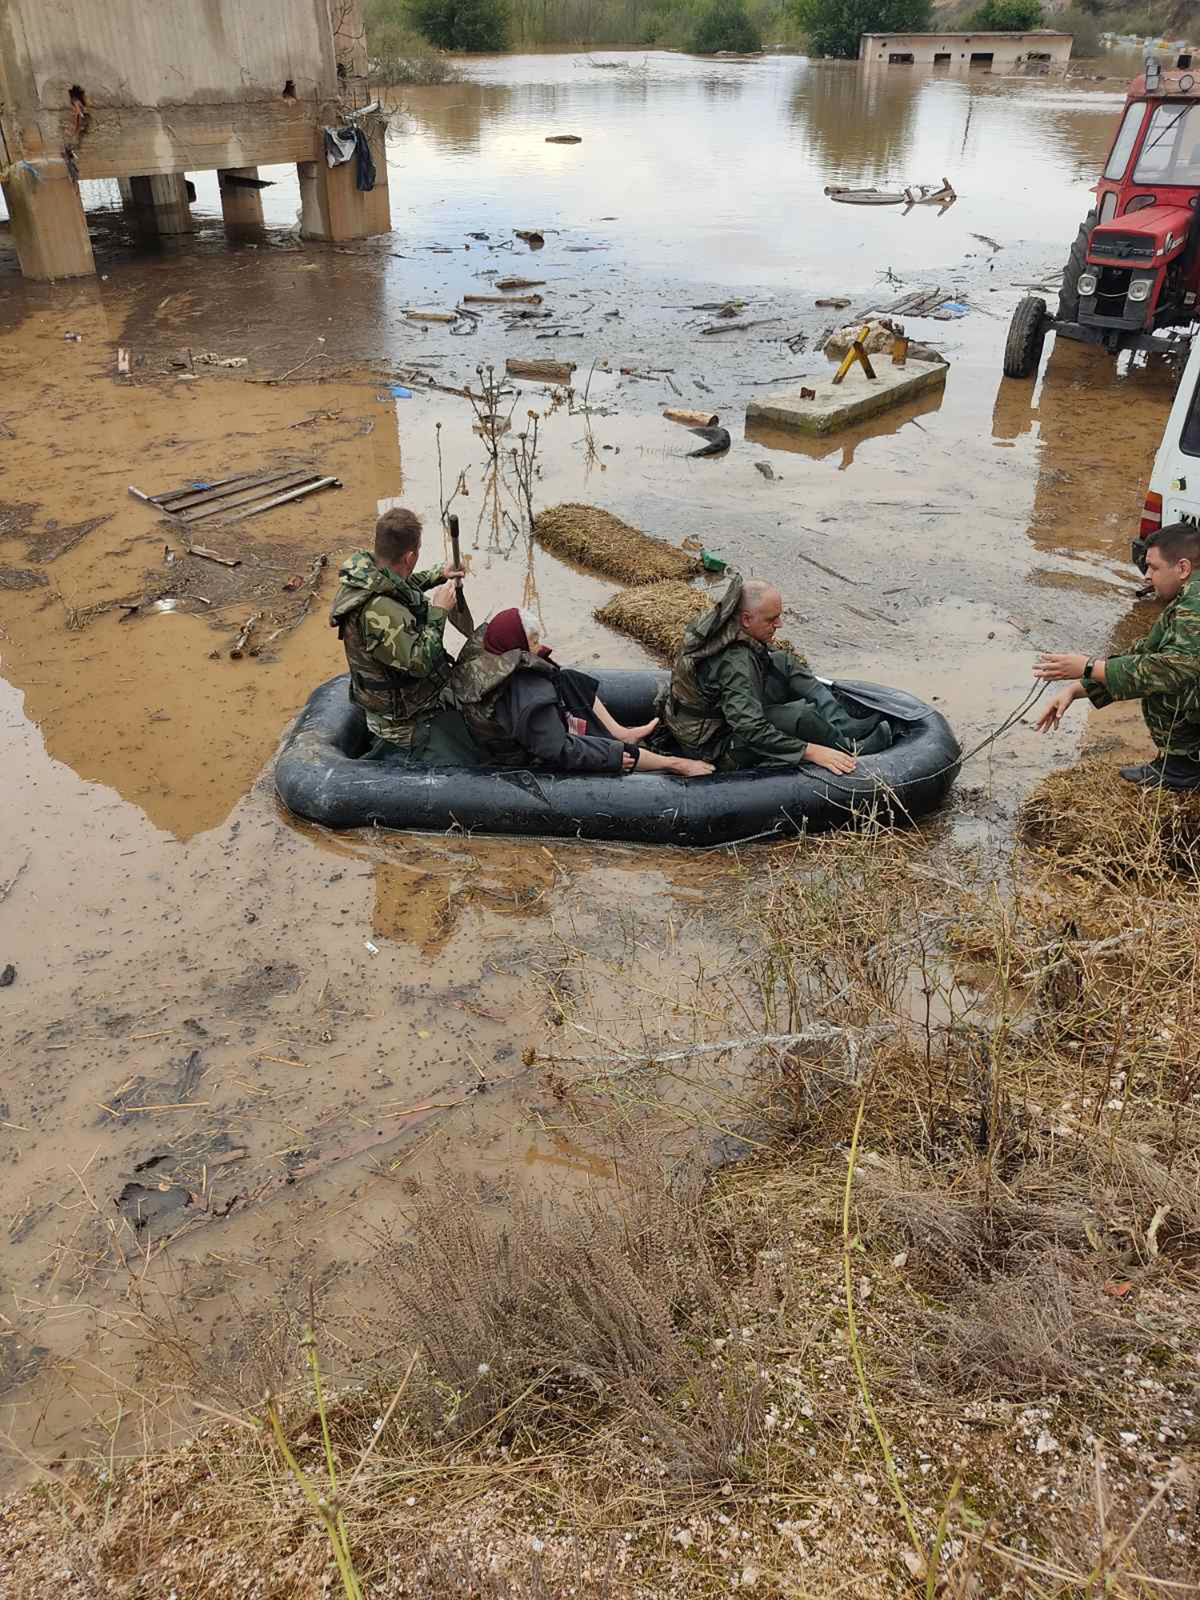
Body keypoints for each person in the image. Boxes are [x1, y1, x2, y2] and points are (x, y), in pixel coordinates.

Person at [660, 575, 893, 774]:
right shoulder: (735, 661)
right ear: (746, 619)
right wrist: (810, 751)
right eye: (772, 619)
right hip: (715, 746)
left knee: (783, 661)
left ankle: (845, 726)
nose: (779, 624)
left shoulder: (724, 626)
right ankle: (851, 750)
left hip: (717, 716)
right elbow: (750, 729)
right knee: (800, 715)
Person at [1035, 520, 1200, 791]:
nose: (1146, 576)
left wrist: (1088, 667)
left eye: (1154, 567)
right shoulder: (1188, 598)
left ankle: (1182, 768)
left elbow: (1174, 669)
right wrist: (1077, 689)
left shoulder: (1196, 601)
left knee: (1161, 681)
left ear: (1182, 568)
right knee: (1147, 665)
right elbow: (1147, 650)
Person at [451, 608, 714, 778]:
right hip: (521, 755)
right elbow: (558, 749)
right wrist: (610, 756)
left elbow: (540, 667)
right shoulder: (528, 695)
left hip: (519, 731)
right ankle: (673, 764)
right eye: (533, 641)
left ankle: (622, 731)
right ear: (518, 643)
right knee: (615, 752)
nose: (539, 646)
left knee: (567, 678)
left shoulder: (491, 652)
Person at [329, 506, 474, 761]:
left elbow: (399, 586)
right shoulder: (380, 612)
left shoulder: (370, 575)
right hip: (402, 724)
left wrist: (439, 574)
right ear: (409, 557)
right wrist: (438, 612)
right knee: (472, 753)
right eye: (417, 552)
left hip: (397, 704)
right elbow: (418, 663)